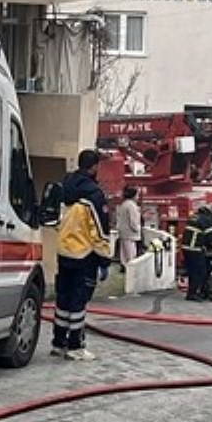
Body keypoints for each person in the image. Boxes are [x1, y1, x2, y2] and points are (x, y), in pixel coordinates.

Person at [51, 149, 112, 361]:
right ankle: (75, 346)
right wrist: (104, 260)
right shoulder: (94, 195)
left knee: (63, 299)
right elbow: (100, 232)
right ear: (94, 167)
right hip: (84, 255)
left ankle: (58, 343)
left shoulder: (64, 186)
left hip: (63, 251)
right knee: (78, 302)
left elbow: (53, 218)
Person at [182, 204, 212, 301]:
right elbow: (211, 238)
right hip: (195, 249)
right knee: (200, 272)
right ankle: (193, 294)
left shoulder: (194, 217)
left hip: (186, 248)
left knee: (192, 271)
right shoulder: (206, 220)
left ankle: (192, 293)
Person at [114, 185, 143, 270]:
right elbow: (133, 222)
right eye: (137, 195)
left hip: (123, 234)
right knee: (131, 257)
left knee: (124, 256)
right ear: (134, 195)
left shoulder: (124, 204)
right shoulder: (132, 206)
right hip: (130, 235)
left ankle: (125, 269)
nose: (138, 197)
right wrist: (138, 229)